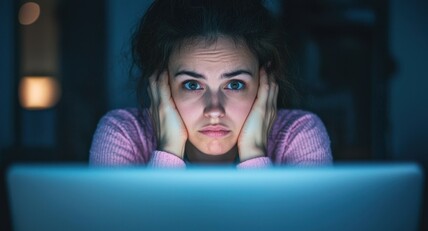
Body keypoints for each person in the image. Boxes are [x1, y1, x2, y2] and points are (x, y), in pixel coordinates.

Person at [89, 0, 332, 168]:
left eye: (235, 84)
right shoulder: (123, 134)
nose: (214, 110)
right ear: (161, 83)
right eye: (192, 85)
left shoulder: (298, 134)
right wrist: (169, 151)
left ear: (263, 81)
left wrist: (254, 154)